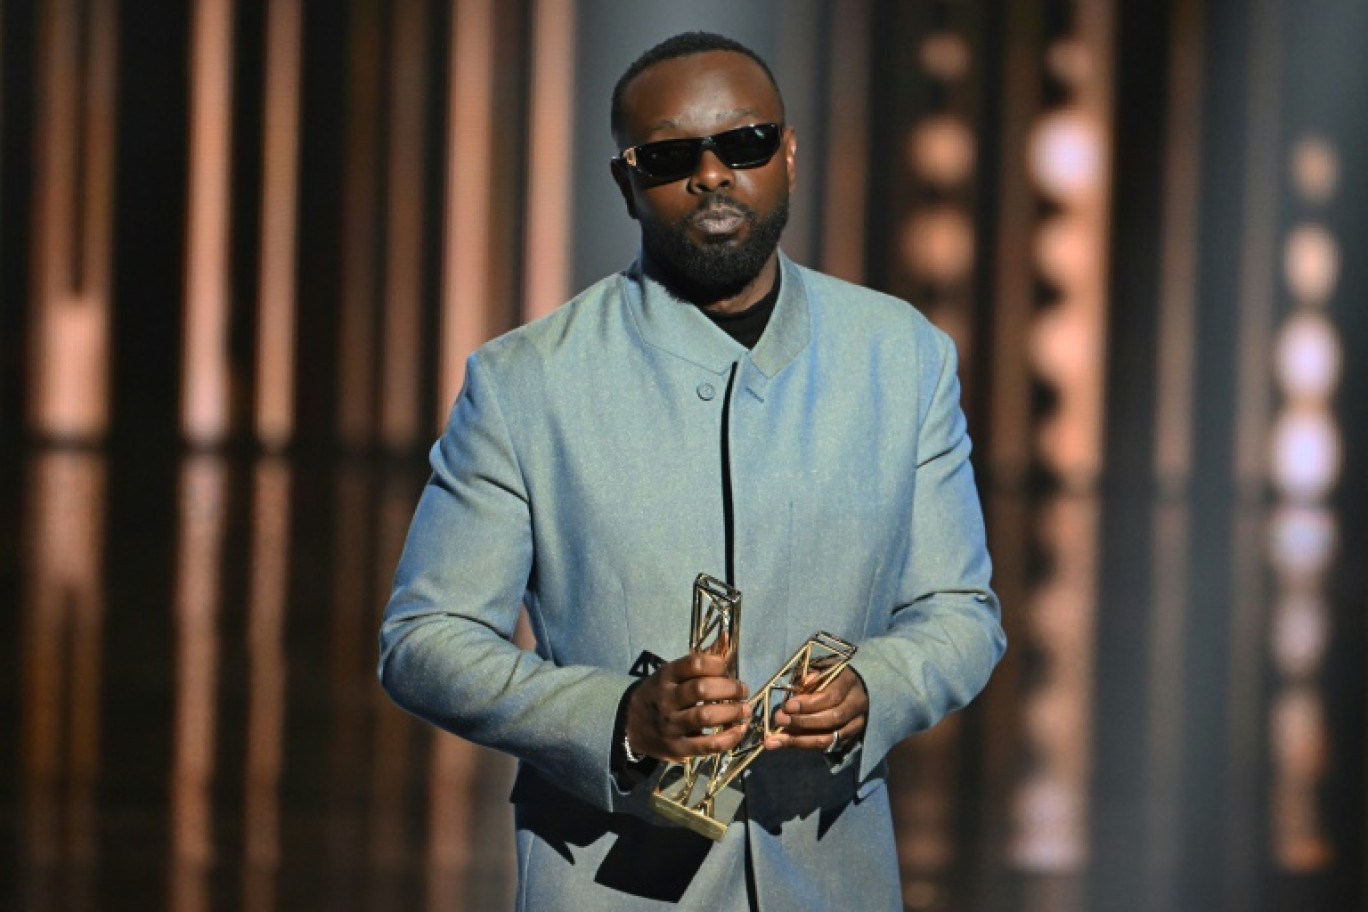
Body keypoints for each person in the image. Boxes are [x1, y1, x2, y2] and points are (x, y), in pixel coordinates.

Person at [379, 30, 1005, 911]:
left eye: (743, 143)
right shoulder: (526, 383)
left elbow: (962, 613)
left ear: (788, 154)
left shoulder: (901, 357)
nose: (712, 174)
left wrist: (878, 686)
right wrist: (619, 719)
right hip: (609, 886)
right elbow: (422, 640)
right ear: (626, 182)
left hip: (833, 883)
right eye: (671, 155)